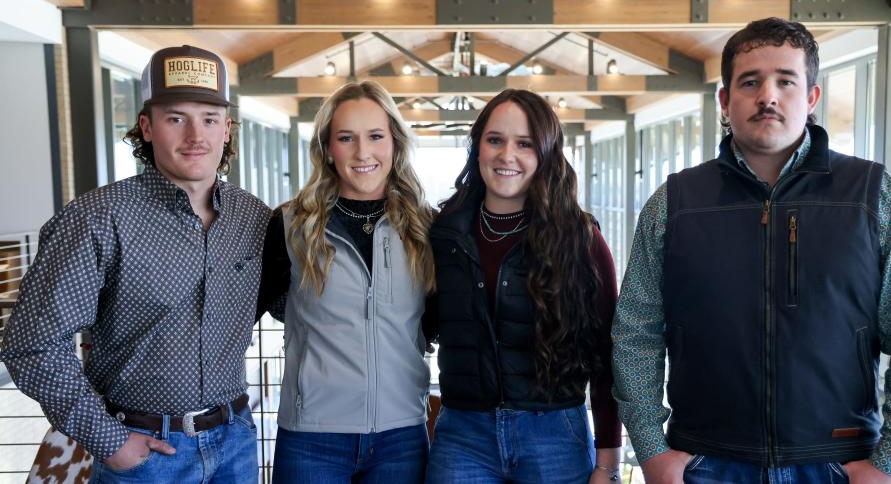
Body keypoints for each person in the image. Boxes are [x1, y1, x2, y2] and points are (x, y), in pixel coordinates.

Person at [613, 17, 891, 484]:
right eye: (750, 82)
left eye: (785, 81)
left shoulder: (873, 195)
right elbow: (635, 334)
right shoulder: (674, 204)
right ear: (725, 101)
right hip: (707, 463)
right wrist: (652, 450)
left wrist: (890, 464)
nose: (767, 96)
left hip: (838, 463)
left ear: (811, 98)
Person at [0, 45, 271, 482]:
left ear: (227, 130)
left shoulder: (252, 217)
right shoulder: (98, 218)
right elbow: (33, 343)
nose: (195, 136)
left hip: (236, 443)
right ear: (146, 127)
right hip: (143, 454)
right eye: (175, 118)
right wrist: (110, 442)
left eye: (210, 118)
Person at [424, 89, 623, 484]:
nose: (506, 155)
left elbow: (607, 355)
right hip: (464, 433)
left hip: (553, 433)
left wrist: (608, 464)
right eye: (495, 140)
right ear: (477, 147)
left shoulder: (580, 239)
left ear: (546, 153)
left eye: (525, 144)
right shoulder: (444, 235)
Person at [257, 81, 435, 483]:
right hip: (312, 440)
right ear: (327, 149)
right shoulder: (290, 226)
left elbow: (437, 321)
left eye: (375, 136)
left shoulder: (425, 228)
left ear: (395, 142)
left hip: (401, 436)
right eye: (346, 138)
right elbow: (239, 316)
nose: (362, 152)